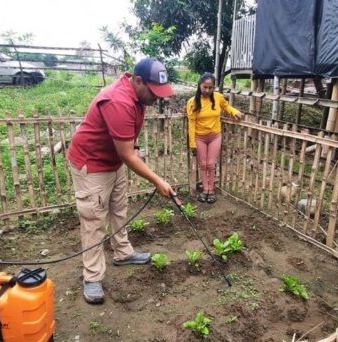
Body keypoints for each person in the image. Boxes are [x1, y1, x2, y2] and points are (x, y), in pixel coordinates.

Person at [67, 57, 176, 304]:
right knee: (94, 219)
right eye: (154, 91)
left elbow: (127, 146)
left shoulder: (139, 97)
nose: (157, 98)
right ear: (138, 81)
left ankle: (123, 252)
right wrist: (157, 180)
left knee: (119, 208)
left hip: (112, 161)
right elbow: (128, 154)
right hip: (92, 162)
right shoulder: (118, 101)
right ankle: (92, 277)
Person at [186, 73, 240, 203]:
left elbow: (226, 107)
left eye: (210, 88)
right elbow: (191, 123)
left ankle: (211, 190)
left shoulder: (218, 97)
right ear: (199, 86)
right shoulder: (192, 102)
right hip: (200, 137)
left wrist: (235, 112)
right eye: (205, 87)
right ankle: (205, 189)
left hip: (215, 136)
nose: (207, 90)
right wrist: (193, 143)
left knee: (211, 164)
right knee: (203, 164)